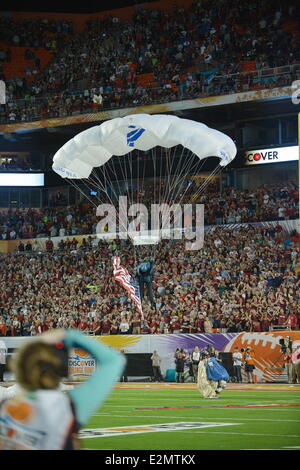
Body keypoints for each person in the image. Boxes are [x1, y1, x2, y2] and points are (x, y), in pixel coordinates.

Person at [0, 328, 125, 450]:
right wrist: (68, 335)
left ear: (19, 367)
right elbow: (113, 360)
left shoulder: (5, 405)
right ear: (61, 368)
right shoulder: (68, 406)